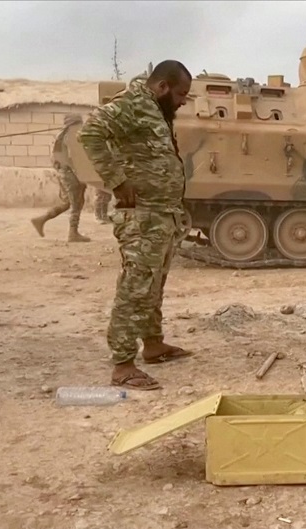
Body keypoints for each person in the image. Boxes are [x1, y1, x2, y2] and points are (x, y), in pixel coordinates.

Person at [77, 60, 196, 391]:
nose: (184, 101)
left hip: (161, 213)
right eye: (181, 94)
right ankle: (123, 365)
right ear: (162, 87)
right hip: (142, 214)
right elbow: (90, 133)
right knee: (136, 285)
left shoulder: (154, 110)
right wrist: (116, 181)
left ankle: (153, 345)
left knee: (153, 284)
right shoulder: (132, 103)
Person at [30, 114, 93, 243]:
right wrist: (80, 175)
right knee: (77, 203)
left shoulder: (60, 136)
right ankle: (73, 234)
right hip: (70, 175)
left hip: (63, 174)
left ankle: (41, 220)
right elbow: (72, 159)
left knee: (67, 203)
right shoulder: (71, 137)